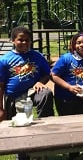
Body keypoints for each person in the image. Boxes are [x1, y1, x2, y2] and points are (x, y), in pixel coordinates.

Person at [0, 26, 54, 160]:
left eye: (27, 40)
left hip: (33, 92)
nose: (24, 43)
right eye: (20, 40)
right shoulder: (5, 60)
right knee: (20, 128)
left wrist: (40, 82)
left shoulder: (37, 56)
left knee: (46, 94)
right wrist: (0, 108)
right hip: (14, 96)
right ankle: (22, 155)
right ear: (13, 41)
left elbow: (47, 74)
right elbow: (0, 86)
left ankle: (46, 127)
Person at [51, 32, 83, 160]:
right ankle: (73, 154)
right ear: (73, 44)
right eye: (79, 42)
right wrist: (69, 88)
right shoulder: (66, 58)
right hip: (65, 99)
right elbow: (54, 76)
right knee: (70, 127)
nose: (82, 45)